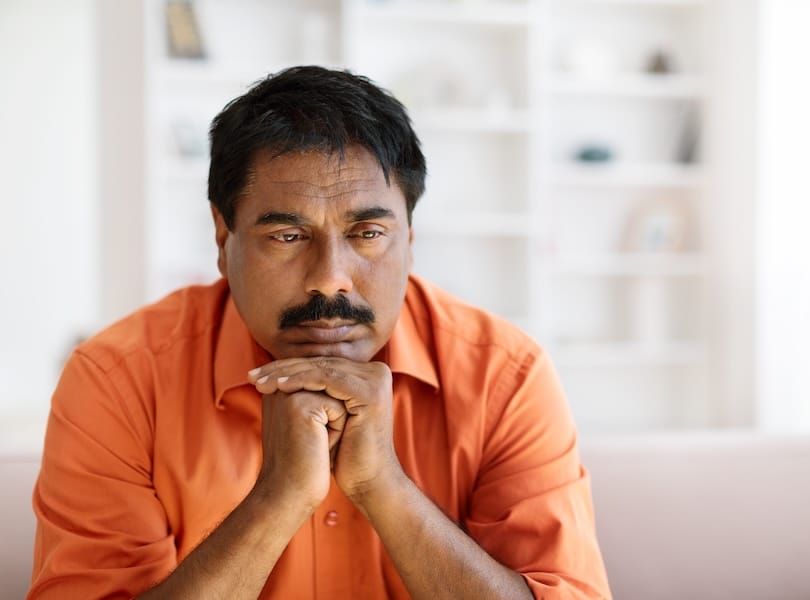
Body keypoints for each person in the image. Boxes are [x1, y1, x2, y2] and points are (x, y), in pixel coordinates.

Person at [29, 66, 611, 599]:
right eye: (287, 236)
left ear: (410, 235)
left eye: (367, 233)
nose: (329, 279)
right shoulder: (118, 378)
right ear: (221, 237)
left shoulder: (505, 375)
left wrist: (384, 485)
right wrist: (278, 498)